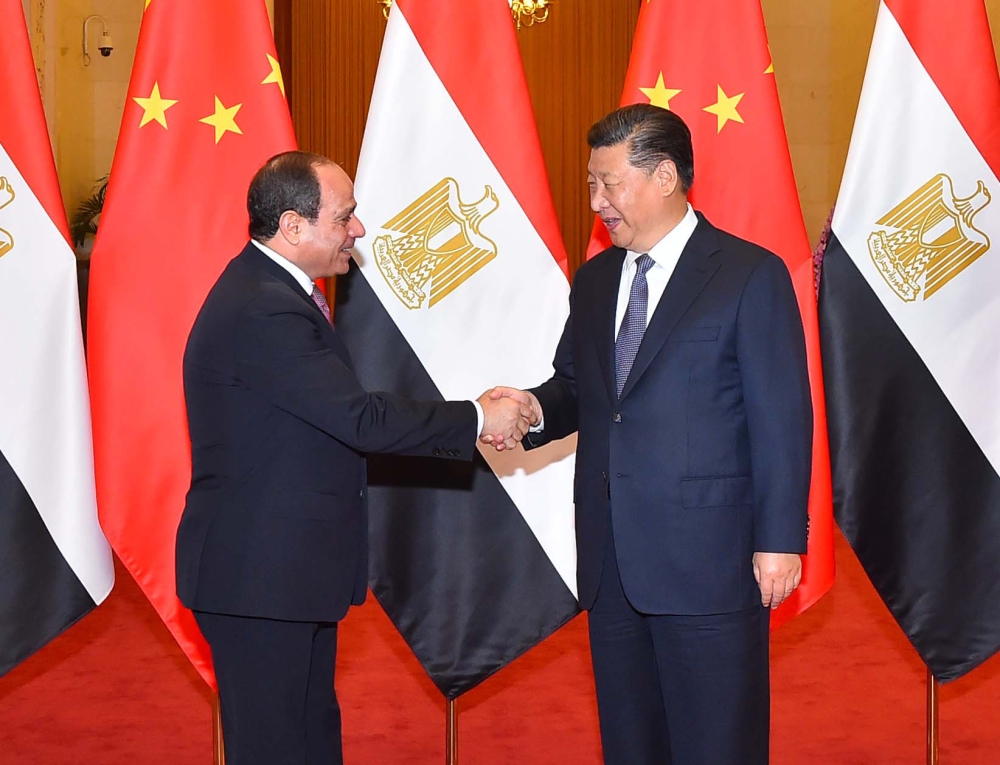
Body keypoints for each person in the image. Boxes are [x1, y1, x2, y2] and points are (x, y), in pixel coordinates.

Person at [175, 150, 530, 765]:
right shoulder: (264, 306)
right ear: (293, 227)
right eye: (345, 218)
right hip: (256, 579)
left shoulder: (274, 292)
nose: (359, 231)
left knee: (310, 740)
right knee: (278, 748)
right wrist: (476, 417)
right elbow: (358, 417)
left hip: (282, 577)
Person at [489, 104, 812, 765]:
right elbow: (580, 390)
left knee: (716, 743)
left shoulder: (750, 275)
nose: (598, 201)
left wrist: (779, 540)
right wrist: (530, 408)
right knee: (632, 744)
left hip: (710, 563)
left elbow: (782, 416)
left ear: (665, 176)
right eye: (590, 184)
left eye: (610, 183)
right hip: (612, 563)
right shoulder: (598, 278)